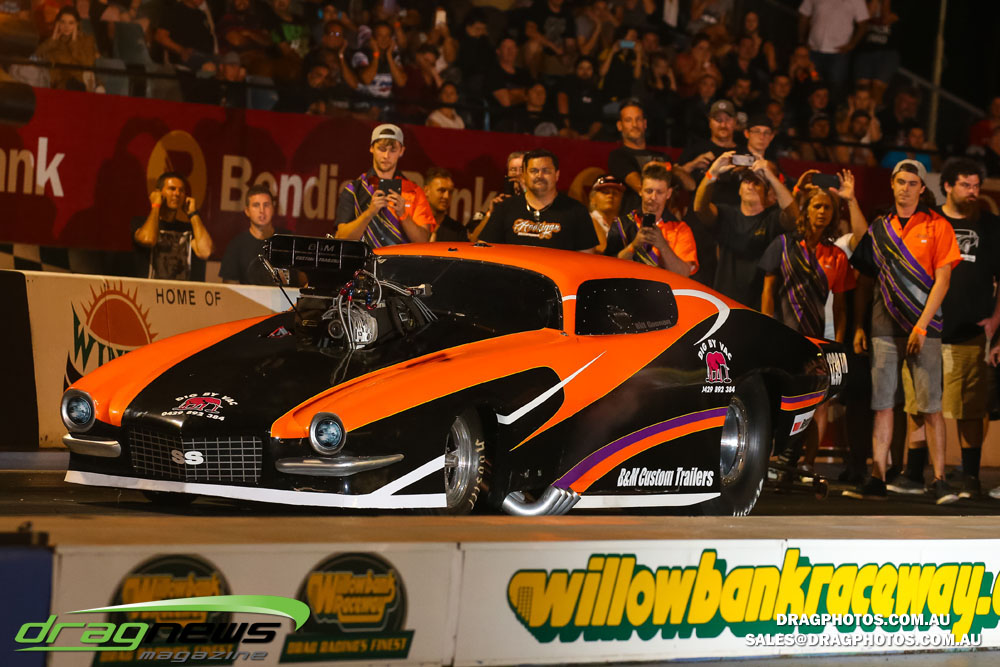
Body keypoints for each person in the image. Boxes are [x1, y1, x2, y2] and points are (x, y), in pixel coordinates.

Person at [844, 159, 962, 503]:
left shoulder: (937, 225)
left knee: (930, 405)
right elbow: (863, 250)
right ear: (892, 185)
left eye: (913, 183)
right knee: (882, 404)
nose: (906, 188)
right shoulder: (881, 226)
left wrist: (921, 326)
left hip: (925, 328)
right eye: (901, 182)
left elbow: (943, 280)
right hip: (884, 326)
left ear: (922, 188)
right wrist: (851, 201)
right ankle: (877, 477)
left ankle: (939, 480)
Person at [898, 159, 1000, 500]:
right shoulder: (928, 220)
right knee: (918, 405)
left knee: (969, 409)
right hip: (926, 330)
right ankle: (914, 474)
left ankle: (970, 478)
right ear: (947, 186)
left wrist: (996, 319)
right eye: (966, 185)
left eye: (976, 186)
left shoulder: (990, 225)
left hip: (969, 331)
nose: (973, 192)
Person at [760, 171, 856, 472]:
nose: (822, 212)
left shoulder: (837, 256)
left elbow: (840, 307)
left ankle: (806, 464)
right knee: (778, 399)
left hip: (816, 340)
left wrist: (836, 345)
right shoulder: (782, 244)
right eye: (817, 206)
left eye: (827, 208)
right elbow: (768, 291)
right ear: (806, 209)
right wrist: (766, 328)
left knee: (816, 404)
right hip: (782, 336)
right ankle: (773, 457)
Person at [693, 152, 796, 309]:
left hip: (759, 305)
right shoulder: (726, 214)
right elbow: (700, 208)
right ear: (739, 190)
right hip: (724, 302)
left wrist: (770, 176)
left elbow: (794, 217)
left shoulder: (772, 218)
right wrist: (712, 172)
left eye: (757, 183)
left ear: (767, 192)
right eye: (746, 181)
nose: (750, 185)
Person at [334, 124, 435, 247]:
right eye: (381, 149)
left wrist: (403, 214)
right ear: (372, 148)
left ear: (401, 151)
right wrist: (370, 212)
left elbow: (423, 242)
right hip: (363, 258)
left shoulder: (414, 191)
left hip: (400, 259)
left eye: (393, 150)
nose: (386, 156)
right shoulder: (354, 189)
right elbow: (341, 237)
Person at [478, 148, 598, 251]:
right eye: (533, 171)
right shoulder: (505, 208)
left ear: (557, 175)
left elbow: (586, 260)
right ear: (524, 175)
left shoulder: (577, 211)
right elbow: (484, 249)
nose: (539, 176)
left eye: (546, 171)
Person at [605, 163, 698, 276]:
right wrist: (633, 246)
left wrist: (662, 246)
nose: (653, 197)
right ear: (640, 190)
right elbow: (608, 268)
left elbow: (684, 274)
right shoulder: (621, 224)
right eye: (649, 191)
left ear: (668, 193)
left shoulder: (680, 229)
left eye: (659, 192)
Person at [608, 100, 694, 216]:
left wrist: (667, 167)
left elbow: (691, 185)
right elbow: (641, 187)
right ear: (619, 125)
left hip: (666, 220)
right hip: (635, 219)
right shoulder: (618, 156)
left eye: (638, 119)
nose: (634, 125)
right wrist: (666, 168)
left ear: (645, 123)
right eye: (628, 120)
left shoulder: (662, 156)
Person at [132, 172, 214, 281]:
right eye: (172, 189)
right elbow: (148, 239)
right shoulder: (141, 223)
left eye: (181, 190)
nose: (177, 194)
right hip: (150, 290)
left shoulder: (187, 229)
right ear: (158, 193)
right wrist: (156, 205)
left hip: (180, 291)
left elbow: (206, 252)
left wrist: (193, 214)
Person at [220, 184, 293, 285]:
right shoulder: (236, 246)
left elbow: (304, 281)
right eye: (256, 205)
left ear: (273, 208)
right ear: (247, 211)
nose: (262, 210)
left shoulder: (289, 241)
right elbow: (230, 288)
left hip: (286, 295)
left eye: (266, 205)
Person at [798, 0, 868, 99]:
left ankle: (831, 107)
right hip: (814, 51)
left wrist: (852, 44)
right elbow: (804, 15)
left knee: (835, 86)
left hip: (838, 54)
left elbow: (863, 24)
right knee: (811, 81)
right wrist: (801, 41)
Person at [34, 6, 97, 91]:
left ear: (77, 24)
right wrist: (53, 39)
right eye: (62, 22)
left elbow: (88, 63)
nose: (66, 26)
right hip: (57, 84)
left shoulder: (86, 40)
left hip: (79, 83)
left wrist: (74, 42)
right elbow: (37, 54)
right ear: (57, 23)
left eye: (71, 23)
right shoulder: (53, 42)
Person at [154, 0, 218, 71]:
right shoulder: (173, 11)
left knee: (226, 64)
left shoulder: (202, 15)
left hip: (207, 56)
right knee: (209, 67)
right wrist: (181, 50)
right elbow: (160, 37)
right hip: (186, 58)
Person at [424, 167, 464, 242]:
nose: (446, 196)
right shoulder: (412, 225)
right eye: (441, 190)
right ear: (426, 191)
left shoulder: (458, 231)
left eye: (450, 192)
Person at [588, 173, 625, 253]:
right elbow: (601, 250)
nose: (610, 196)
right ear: (592, 198)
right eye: (605, 192)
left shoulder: (625, 223)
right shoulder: (586, 221)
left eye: (615, 193)